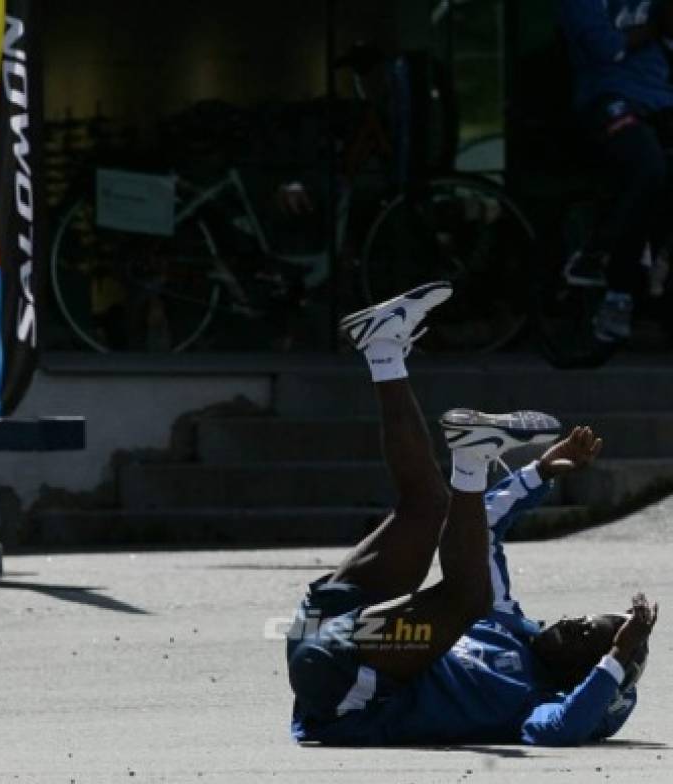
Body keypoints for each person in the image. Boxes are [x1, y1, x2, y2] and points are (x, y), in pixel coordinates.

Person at [285, 281, 658, 745]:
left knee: (468, 599)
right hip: (324, 631)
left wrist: (617, 659)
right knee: (430, 507)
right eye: (582, 620)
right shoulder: (508, 621)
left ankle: (471, 459)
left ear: (581, 675)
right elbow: (484, 525)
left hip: (343, 690)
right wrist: (537, 474)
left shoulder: (537, 700)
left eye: (586, 640)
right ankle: (383, 349)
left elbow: (567, 728)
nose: (571, 627)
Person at [559, 0, 673, 343]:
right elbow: (605, 47)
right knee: (647, 168)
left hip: (662, 99)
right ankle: (613, 283)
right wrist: (657, 25)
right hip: (609, 97)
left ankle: (659, 272)